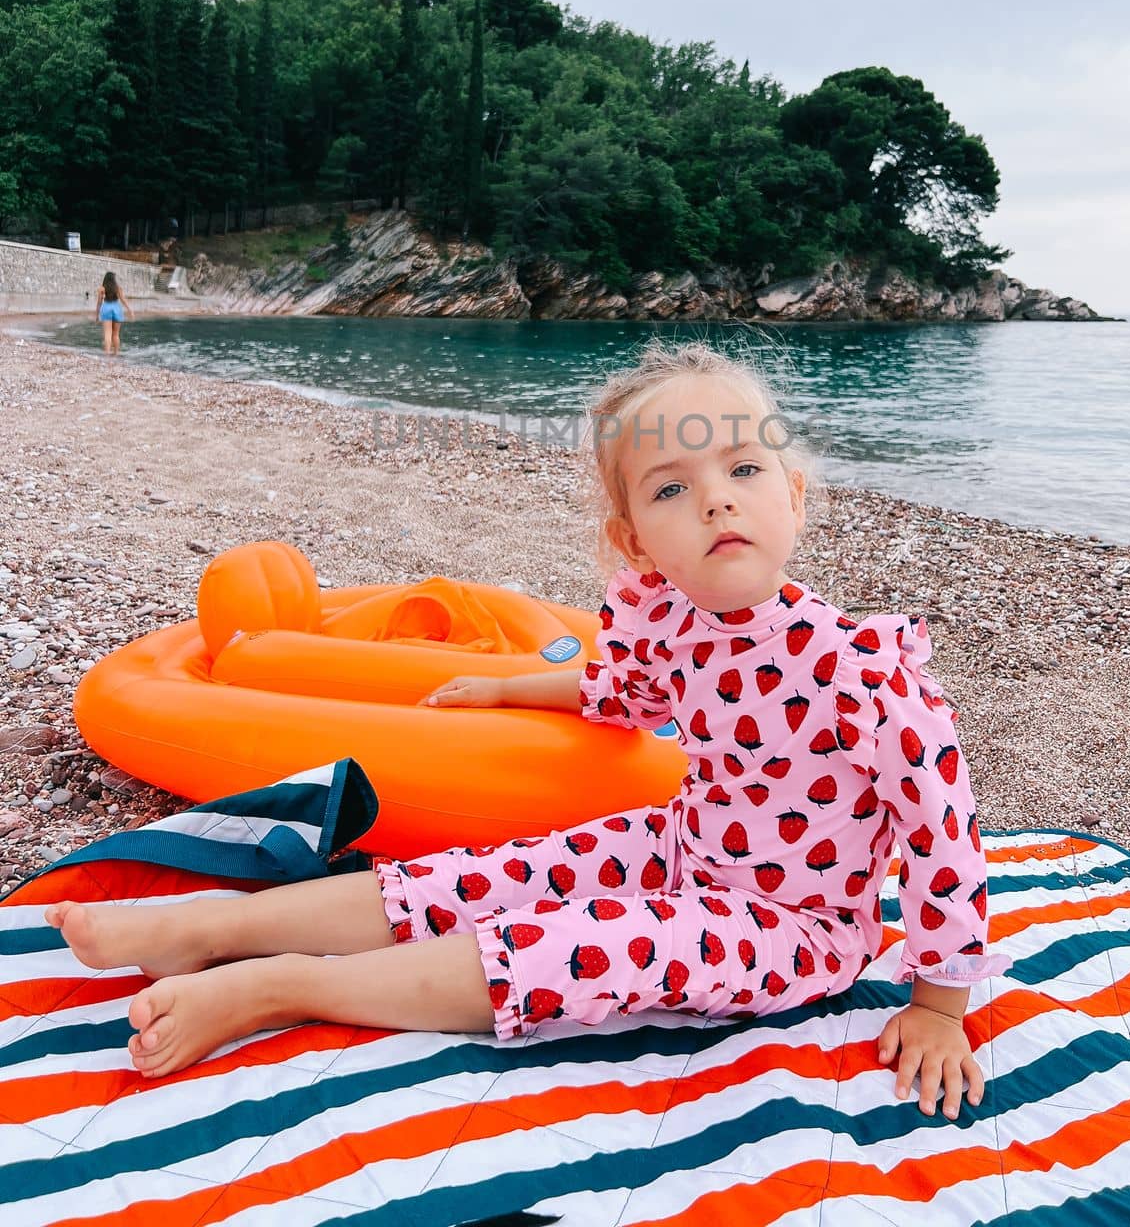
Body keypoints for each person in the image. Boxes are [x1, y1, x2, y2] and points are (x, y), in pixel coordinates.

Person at [45, 339, 1008, 1118]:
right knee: (481, 873)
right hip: (676, 845)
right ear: (637, 540)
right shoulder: (678, 627)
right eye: (671, 487)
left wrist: (938, 1005)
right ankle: (214, 927)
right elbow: (623, 694)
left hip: (790, 926)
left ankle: (282, 985)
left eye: (744, 468)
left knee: (586, 943)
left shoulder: (863, 672)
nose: (717, 496)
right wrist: (512, 691)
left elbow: (943, 838)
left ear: (791, 496)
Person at [94, 270, 135, 354]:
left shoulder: (102, 288)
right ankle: (116, 354)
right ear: (114, 279)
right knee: (116, 334)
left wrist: (97, 315)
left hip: (106, 309)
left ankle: (107, 354)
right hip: (117, 309)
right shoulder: (118, 288)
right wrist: (130, 311)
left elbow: (99, 303)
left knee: (107, 334)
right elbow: (123, 300)